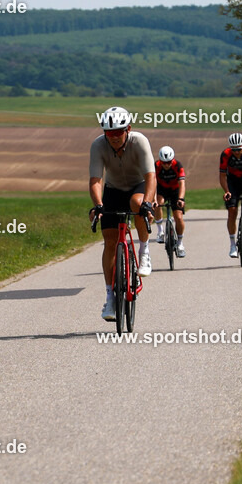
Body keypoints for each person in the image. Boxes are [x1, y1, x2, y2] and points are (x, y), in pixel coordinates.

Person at [89, 106, 156, 322]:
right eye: (110, 133)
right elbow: (96, 180)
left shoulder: (139, 141)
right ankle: (110, 296)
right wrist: (98, 205)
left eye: (118, 132)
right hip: (113, 190)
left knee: (137, 203)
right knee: (110, 242)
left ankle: (144, 250)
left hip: (138, 186)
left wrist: (147, 203)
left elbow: (150, 176)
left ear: (128, 129)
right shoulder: (98, 145)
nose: (115, 137)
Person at [154, 145, 186, 257]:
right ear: (160, 161)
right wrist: (153, 200)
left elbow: (182, 184)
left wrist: (181, 199)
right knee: (158, 204)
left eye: (169, 162)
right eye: (164, 162)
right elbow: (152, 183)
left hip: (175, 190)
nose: (166, 165)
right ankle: (160, 232)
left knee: (178, 217)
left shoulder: (178, 166)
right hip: (161, 189)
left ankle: (180, 243)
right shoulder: (156, 166)